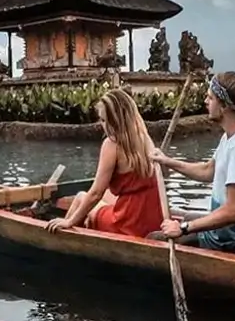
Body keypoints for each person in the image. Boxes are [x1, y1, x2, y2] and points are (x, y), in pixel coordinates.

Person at [149, 71, 235, 256]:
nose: (206, 101)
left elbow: (234, 210)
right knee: (181, 221)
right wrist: (167, 161)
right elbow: (209, 170)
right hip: (222, 236)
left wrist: (184, 228)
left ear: (225, 106)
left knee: (155, 241)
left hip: (233, 244)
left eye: (210, 98)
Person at [45, 88, 163, 237]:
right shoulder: (144, 137)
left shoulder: (112, 144)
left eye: (104, 120)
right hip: (153, 219)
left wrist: (71, 221)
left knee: (82, 197)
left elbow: (96, 193)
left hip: (129, 225)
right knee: (106, 196)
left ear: (114, 120)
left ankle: (63, 238)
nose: (102, 125)